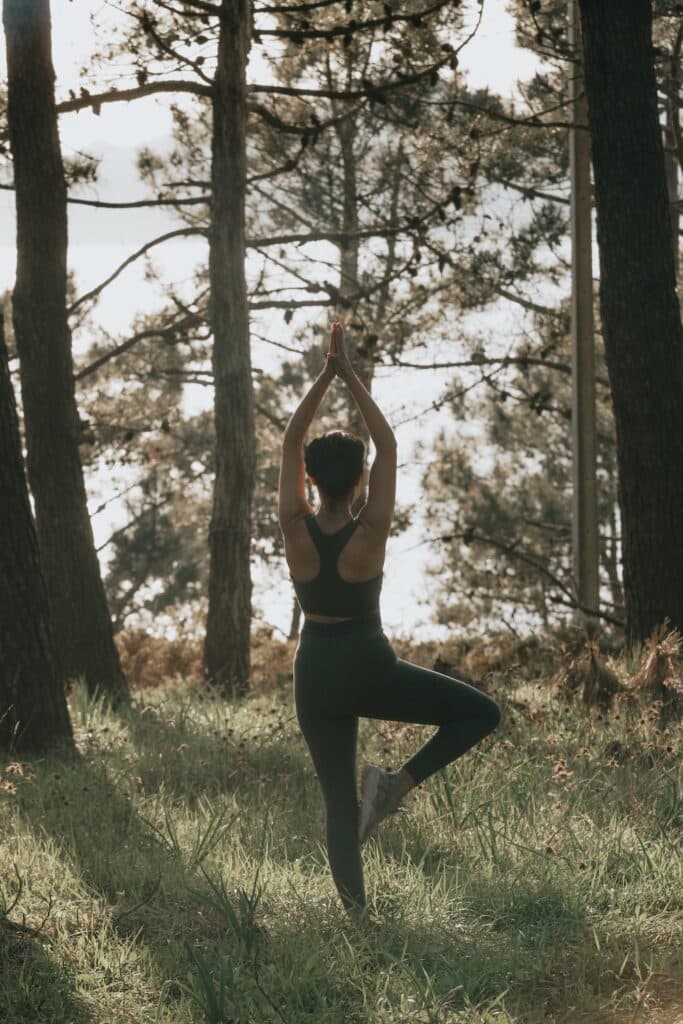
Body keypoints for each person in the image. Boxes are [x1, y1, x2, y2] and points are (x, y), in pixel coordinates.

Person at [278, 321, 501, 917]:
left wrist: (324, 377)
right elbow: (390, 447)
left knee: (337, 805)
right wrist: (348, 374)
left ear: (309, 481)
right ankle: (396, 785)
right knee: (481, 712)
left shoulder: (294, 529)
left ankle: (356, 917)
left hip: (314, 673)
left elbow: (290, 442)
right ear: (359, 481)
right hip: (366, 665)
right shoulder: (370, 533)